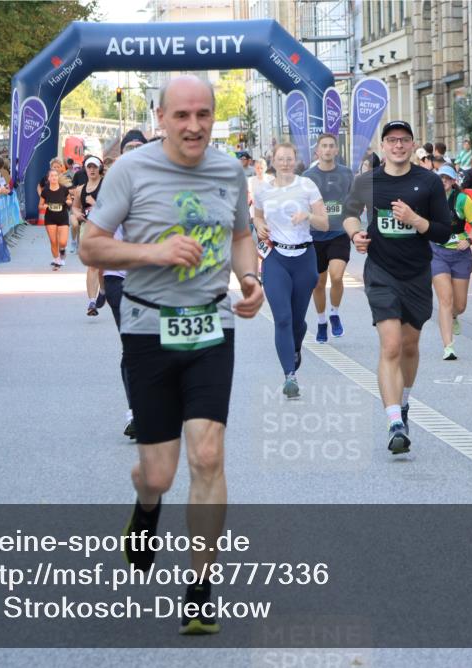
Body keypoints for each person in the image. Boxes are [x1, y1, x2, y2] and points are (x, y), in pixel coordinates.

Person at [79, 75, 264, 634]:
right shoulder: (130, 171)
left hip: (210, 324)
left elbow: (239, 235)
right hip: (146, 328)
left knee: (208, 455)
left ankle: (201, 587)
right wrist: (153, 251)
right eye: (182, 115)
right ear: (161, 118)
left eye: (203, 115)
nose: (194, 126)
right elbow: (90, 244)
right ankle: (147, 504)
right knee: (158, 472)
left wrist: (249, 278)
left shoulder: (229, 170)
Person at [342, 120, 452, 455]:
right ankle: (394, 422)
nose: (398, 146)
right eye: (392, 141)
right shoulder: (367, 181)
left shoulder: (428, 182)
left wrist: (416, 221)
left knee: (409, 346)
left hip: (417, 273)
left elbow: (444, 231)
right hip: (381, 271)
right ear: (384, 145)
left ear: (413, 144)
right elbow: (349, 214)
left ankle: (403, 403)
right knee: (390, 346)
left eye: (404, 140)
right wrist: (355, 234)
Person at [255, 142, 327, 396]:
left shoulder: (307, 186)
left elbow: (325, 223)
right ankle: (290, 375)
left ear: (296, 161)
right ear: (273, 161)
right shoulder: (263, 189)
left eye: (289, 158)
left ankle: (297, 342)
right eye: (280, 158)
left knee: (296, 321)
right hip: (276, 258)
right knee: (282, 318)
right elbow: (257, 215)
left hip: (304, 258)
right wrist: (259, 225)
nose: (285, 162)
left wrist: (307, 216)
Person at [303, 133, 355, 344]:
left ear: (336, 150)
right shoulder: (307, 176)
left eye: (331, 146)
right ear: (317, 151)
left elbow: (355, 202)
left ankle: (334, 313)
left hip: (338, 233)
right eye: (323, 146)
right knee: (318, 283)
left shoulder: (346, 174)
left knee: (336, 276)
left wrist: (356, 226)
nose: (327, 149)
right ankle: (322, 320)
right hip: (315, 235)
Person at [431, 164, 472, 360]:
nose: (443, 181)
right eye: (440, 178)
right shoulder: (430, 199)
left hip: (460, 255)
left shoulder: (462, 200)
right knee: (445, 300)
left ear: (453, 181)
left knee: (459, 305)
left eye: (447, 178)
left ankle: (454, 316)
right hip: (437, 252)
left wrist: (468, 240)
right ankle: (448, 346)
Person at [72, 155, 106, 315]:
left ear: (99, 168)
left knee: (102, 268)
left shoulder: (107, 185)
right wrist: (77, 213)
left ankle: (104, 291)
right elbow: (75, 207)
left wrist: (95, 203)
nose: (92, 169)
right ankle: (92, 302)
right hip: (88, 227)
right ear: (85, 169)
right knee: (92, 265)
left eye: (94, 167)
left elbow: (117, 204)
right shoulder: (80, 189)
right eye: (89, 167)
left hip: (106, 228)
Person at [39, 169, 71, 268]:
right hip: (50, 218)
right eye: (52, 176)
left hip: (63, 217)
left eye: (56, 175)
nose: (54, 177)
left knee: (63, 242)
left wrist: (69, 202)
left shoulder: (64, 189)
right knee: (53, 241)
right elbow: (40, 205)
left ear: (58, 177)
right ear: (48, 178)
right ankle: (57, 259)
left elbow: (69, 200)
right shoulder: (45, 191)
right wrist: (43, 207)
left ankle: (62, 250)